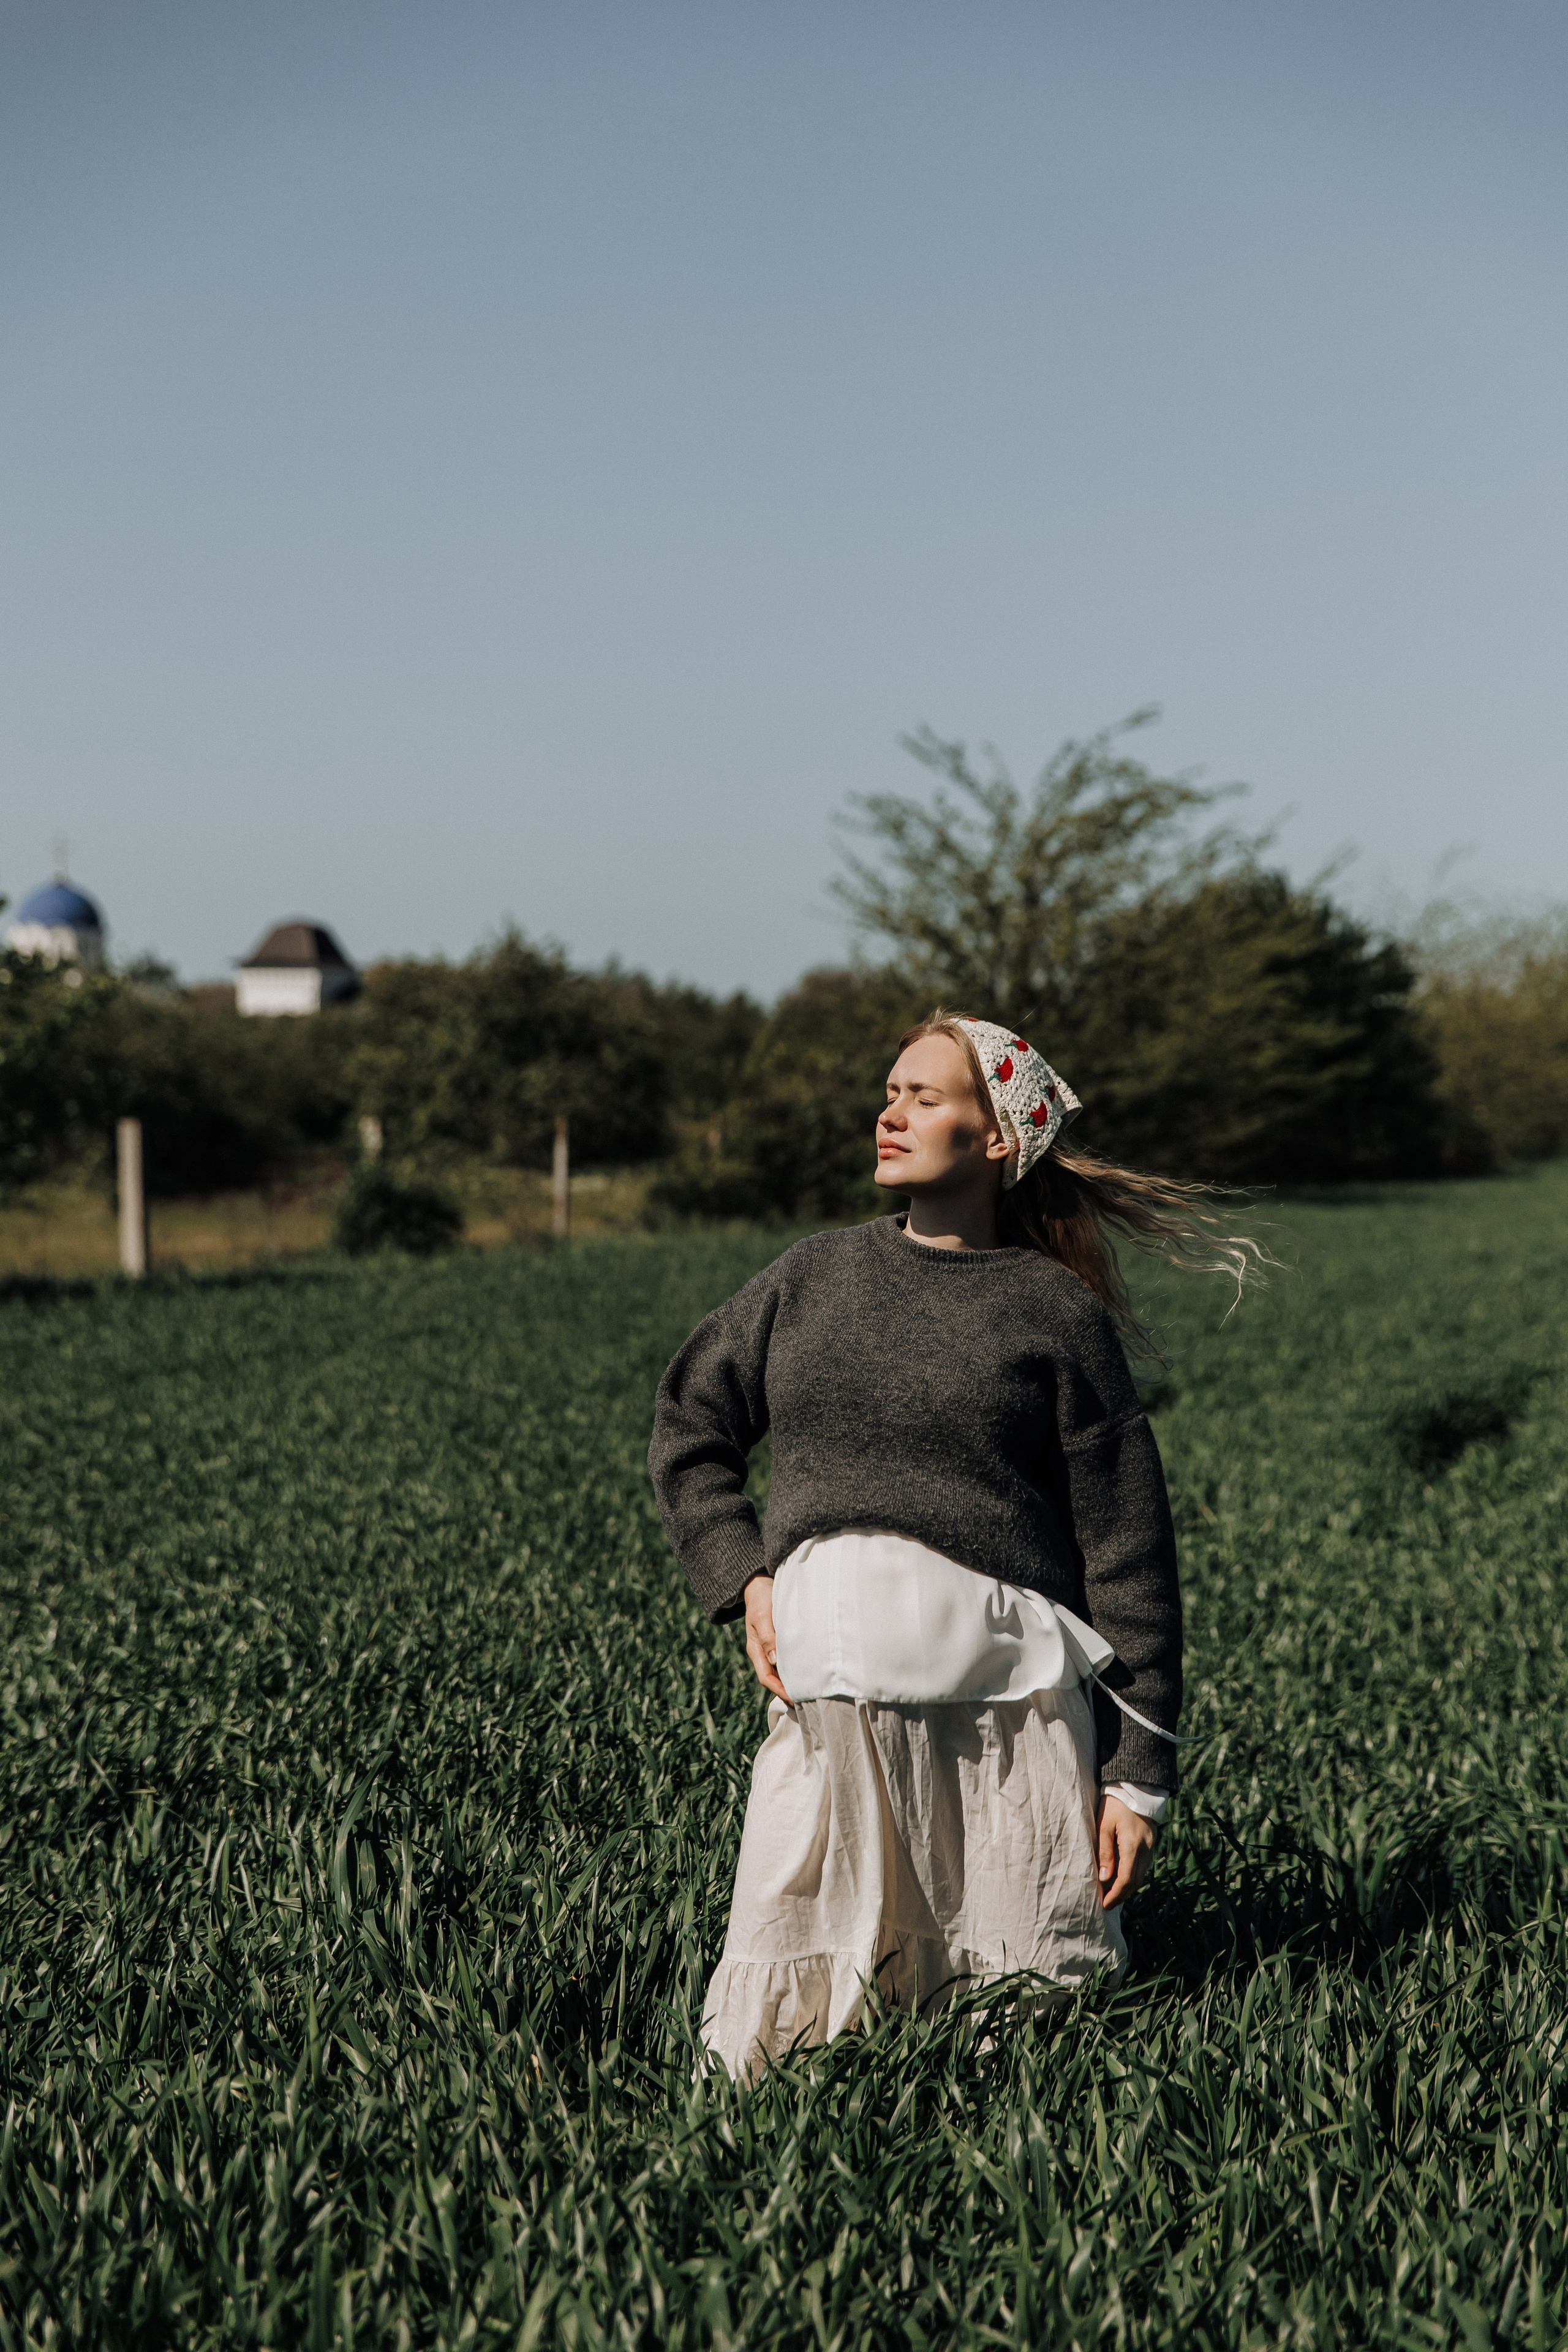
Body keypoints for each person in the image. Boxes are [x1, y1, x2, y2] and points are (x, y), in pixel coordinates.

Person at [649, 1009, 1257, 2079]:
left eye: (925, 1098)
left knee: (1025, 2049)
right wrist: (743, 1578)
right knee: (779, 2052)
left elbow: (1129, 1555)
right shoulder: (810, 1279)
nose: (891, 1114)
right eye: (891, 1093)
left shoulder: (1054, 1314)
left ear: (997, 1138)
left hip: (1010, 1730)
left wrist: (1137, 1779)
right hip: (831, 1713)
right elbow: (689, 1425)